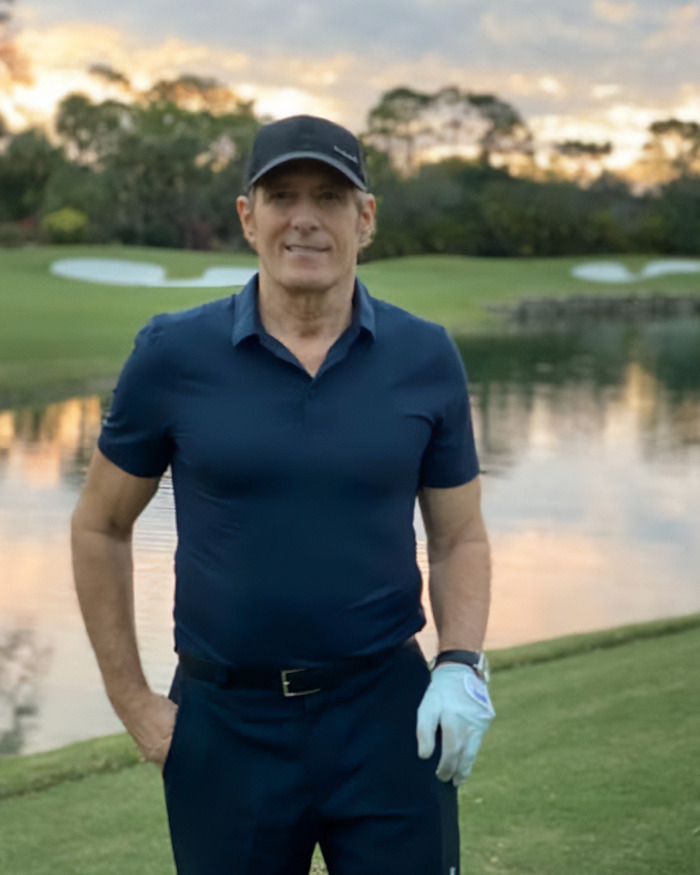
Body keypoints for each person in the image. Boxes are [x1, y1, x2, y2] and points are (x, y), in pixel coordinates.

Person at [71, 114, 495, 875]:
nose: (305, 217)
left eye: (330, 196)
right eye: (282, 195)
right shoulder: (172, 354)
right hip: (226, 724)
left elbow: (460, 534)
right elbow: (100, 524)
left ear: (365, 218)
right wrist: (137, 706)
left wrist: (461, 662)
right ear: (248, 216)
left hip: (386, 716)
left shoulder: (425, 355)